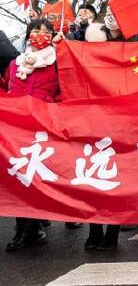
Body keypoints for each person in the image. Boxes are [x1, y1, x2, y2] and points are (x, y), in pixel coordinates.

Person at [4, 19, 59, 252]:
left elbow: (64, 92)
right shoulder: (15, 64)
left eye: (46, 32)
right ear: (28, 34)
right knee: (18, 178)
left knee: (36, 178)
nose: (40, 35)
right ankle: (21, 228)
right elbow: (7, 86)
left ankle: (35, 227)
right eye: (36, 30)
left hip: (42, 127)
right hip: (15, 127)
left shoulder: (57, 62)